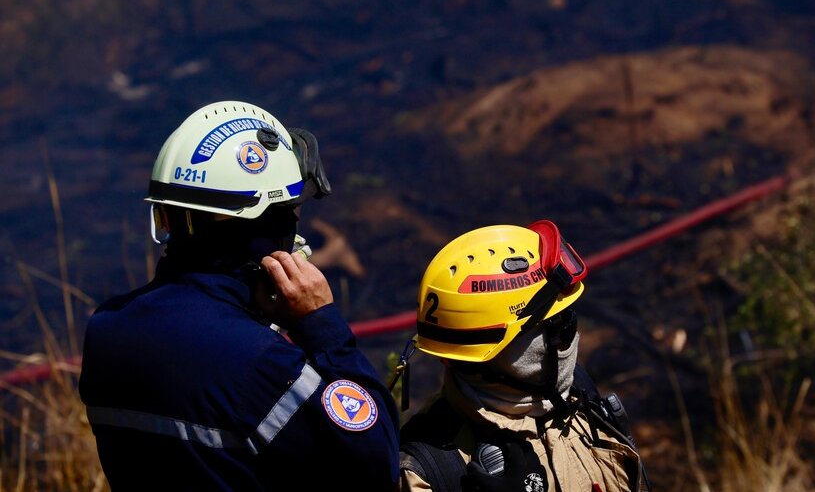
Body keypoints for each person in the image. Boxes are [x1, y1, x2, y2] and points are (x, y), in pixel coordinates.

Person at [78, 100, 400, 491]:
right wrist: (322, 327)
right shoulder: (263, 364)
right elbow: (376, 463)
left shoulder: (105, 330)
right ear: (268, 227)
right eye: (290, 214)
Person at [397, 220, 651, 492]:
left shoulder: (577, 398)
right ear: (497, 351)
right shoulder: (426, 472)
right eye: (560, 327)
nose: (572, 338)